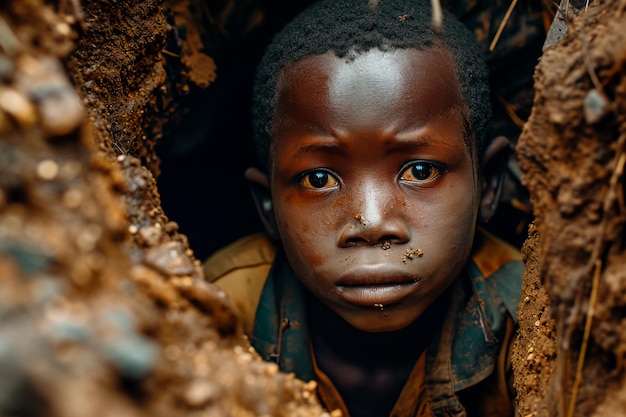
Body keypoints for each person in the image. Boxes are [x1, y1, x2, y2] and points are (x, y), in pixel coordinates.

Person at [203, 0, 524, 416]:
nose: (371, 223)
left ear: (489, 185)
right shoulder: (219, 311)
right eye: (318, 179)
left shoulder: (529, 316)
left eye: (421, 170)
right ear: (267, 206)